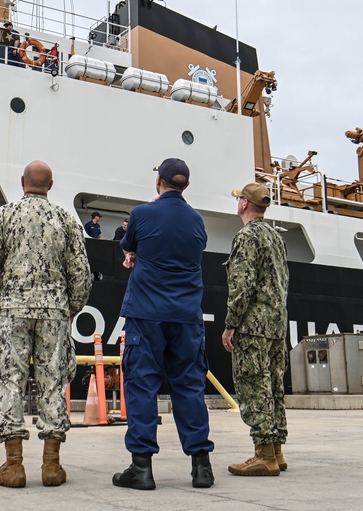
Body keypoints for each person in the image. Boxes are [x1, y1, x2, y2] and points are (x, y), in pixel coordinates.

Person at [0, 161, 91, 488]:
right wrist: (71, 307)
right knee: (53, 380)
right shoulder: (66, 220)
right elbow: (80, 274)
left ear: (22, 182)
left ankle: (13, 465)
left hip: (10, 309)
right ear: (51, 186)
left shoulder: (3, 217)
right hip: (55, 310)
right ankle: (51, 465)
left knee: (10, 380)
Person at [112, 158, 215, 490]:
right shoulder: (197, 221)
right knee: (189, 387)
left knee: (142, 385)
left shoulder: (142, 214)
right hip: (186, 316)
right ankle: (202, 467)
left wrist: (133, 254)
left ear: (159, 180)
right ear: (186, 185)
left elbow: (130, 246)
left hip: (147, 314)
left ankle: (141, 468)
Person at [221, 183, 290, 477]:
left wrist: (231, 324)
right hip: (277, 324)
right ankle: (277, 450)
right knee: (273, 385)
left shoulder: (247, 236)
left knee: (253, 383)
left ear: (245, 205)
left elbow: (242, 285)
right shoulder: (275, 237)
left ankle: (264, 454)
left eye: (239, 198)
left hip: (253, 324)